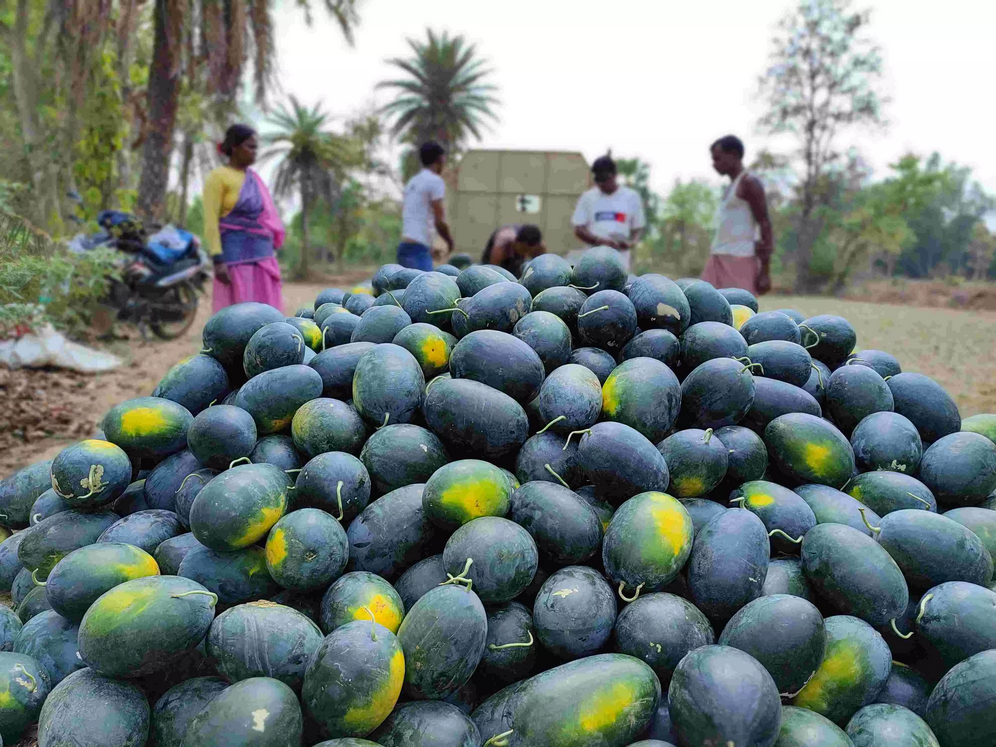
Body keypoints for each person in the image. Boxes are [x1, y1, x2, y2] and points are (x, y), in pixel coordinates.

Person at [203, 124, 285, 312]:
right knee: (239, 317)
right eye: (250, 146)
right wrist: (218, 260)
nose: (255, 152)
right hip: (235, 262)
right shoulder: (218, 177)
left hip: (263, 259)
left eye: (256, 147)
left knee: (267, 315)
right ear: (234, 147)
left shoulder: (254, 179)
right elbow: (210, 221)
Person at [702, 135, 774, 295]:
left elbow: (765, 223)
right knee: (703, 306)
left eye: (718, 158)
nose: (714, 164)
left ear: (734, 155)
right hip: (719, 255)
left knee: (738, 311)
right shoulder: (731, 187)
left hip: (739, 259)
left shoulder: (750, 183)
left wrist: (765, 271)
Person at [571, 155, 646, 270]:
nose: (602, 184)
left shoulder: (631, 197)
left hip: (621, 262)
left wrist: (630, 243)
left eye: (605, 179)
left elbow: (638, 228)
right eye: (598, 180)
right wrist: (598, 240)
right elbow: (578, 229)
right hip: (593, 261)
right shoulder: (588, 197)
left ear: (615, 175)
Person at [398, 141, 455, 270]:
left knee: (404, 290)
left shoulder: (412, 182)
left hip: (405, 247)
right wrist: (450, 242)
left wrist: (429, 248)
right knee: (425, 288)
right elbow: (439, 221)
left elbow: (415, 217)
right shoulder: (435, 181)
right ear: (439, 159)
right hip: (417, 250)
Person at [481, 223, 546, 277]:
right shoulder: (504, 240)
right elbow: (493, 267)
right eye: (524, 249)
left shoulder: (539, 246)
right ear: (517, 242)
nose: (525, 253)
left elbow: (542, 266)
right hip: (494, 256)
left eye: (529, 251)